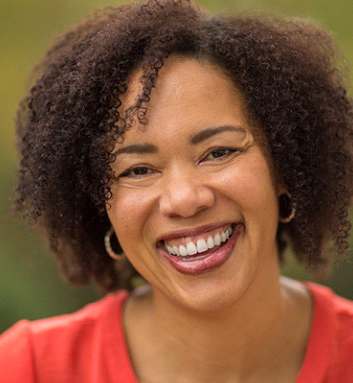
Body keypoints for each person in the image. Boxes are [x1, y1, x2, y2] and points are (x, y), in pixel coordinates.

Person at [1, 0, 353, 381]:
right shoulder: (27, 368)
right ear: (101, 204)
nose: (184, 199)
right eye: (137, 170)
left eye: (218, 152)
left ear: (284, 162)